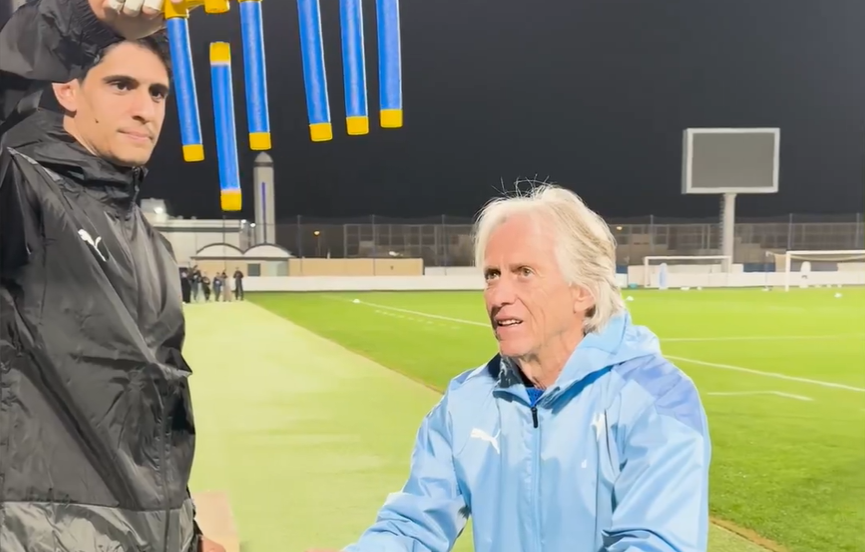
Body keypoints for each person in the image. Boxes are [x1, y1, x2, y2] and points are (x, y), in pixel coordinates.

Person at [308, 184, 711, 552]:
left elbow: (656, 544)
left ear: (583, 291)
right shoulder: (466, 402)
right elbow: (413, 527)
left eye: (524, 273)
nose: (498, 295)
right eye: (491, 275)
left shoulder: (655, 399)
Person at [0, 0, 224, 550]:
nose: (145, 110)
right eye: (121, 85)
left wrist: (187, 535)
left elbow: (155, 418)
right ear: (67, 89)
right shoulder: (20, 187)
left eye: (158, 93)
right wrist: (83, 19)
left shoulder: (153, 247)